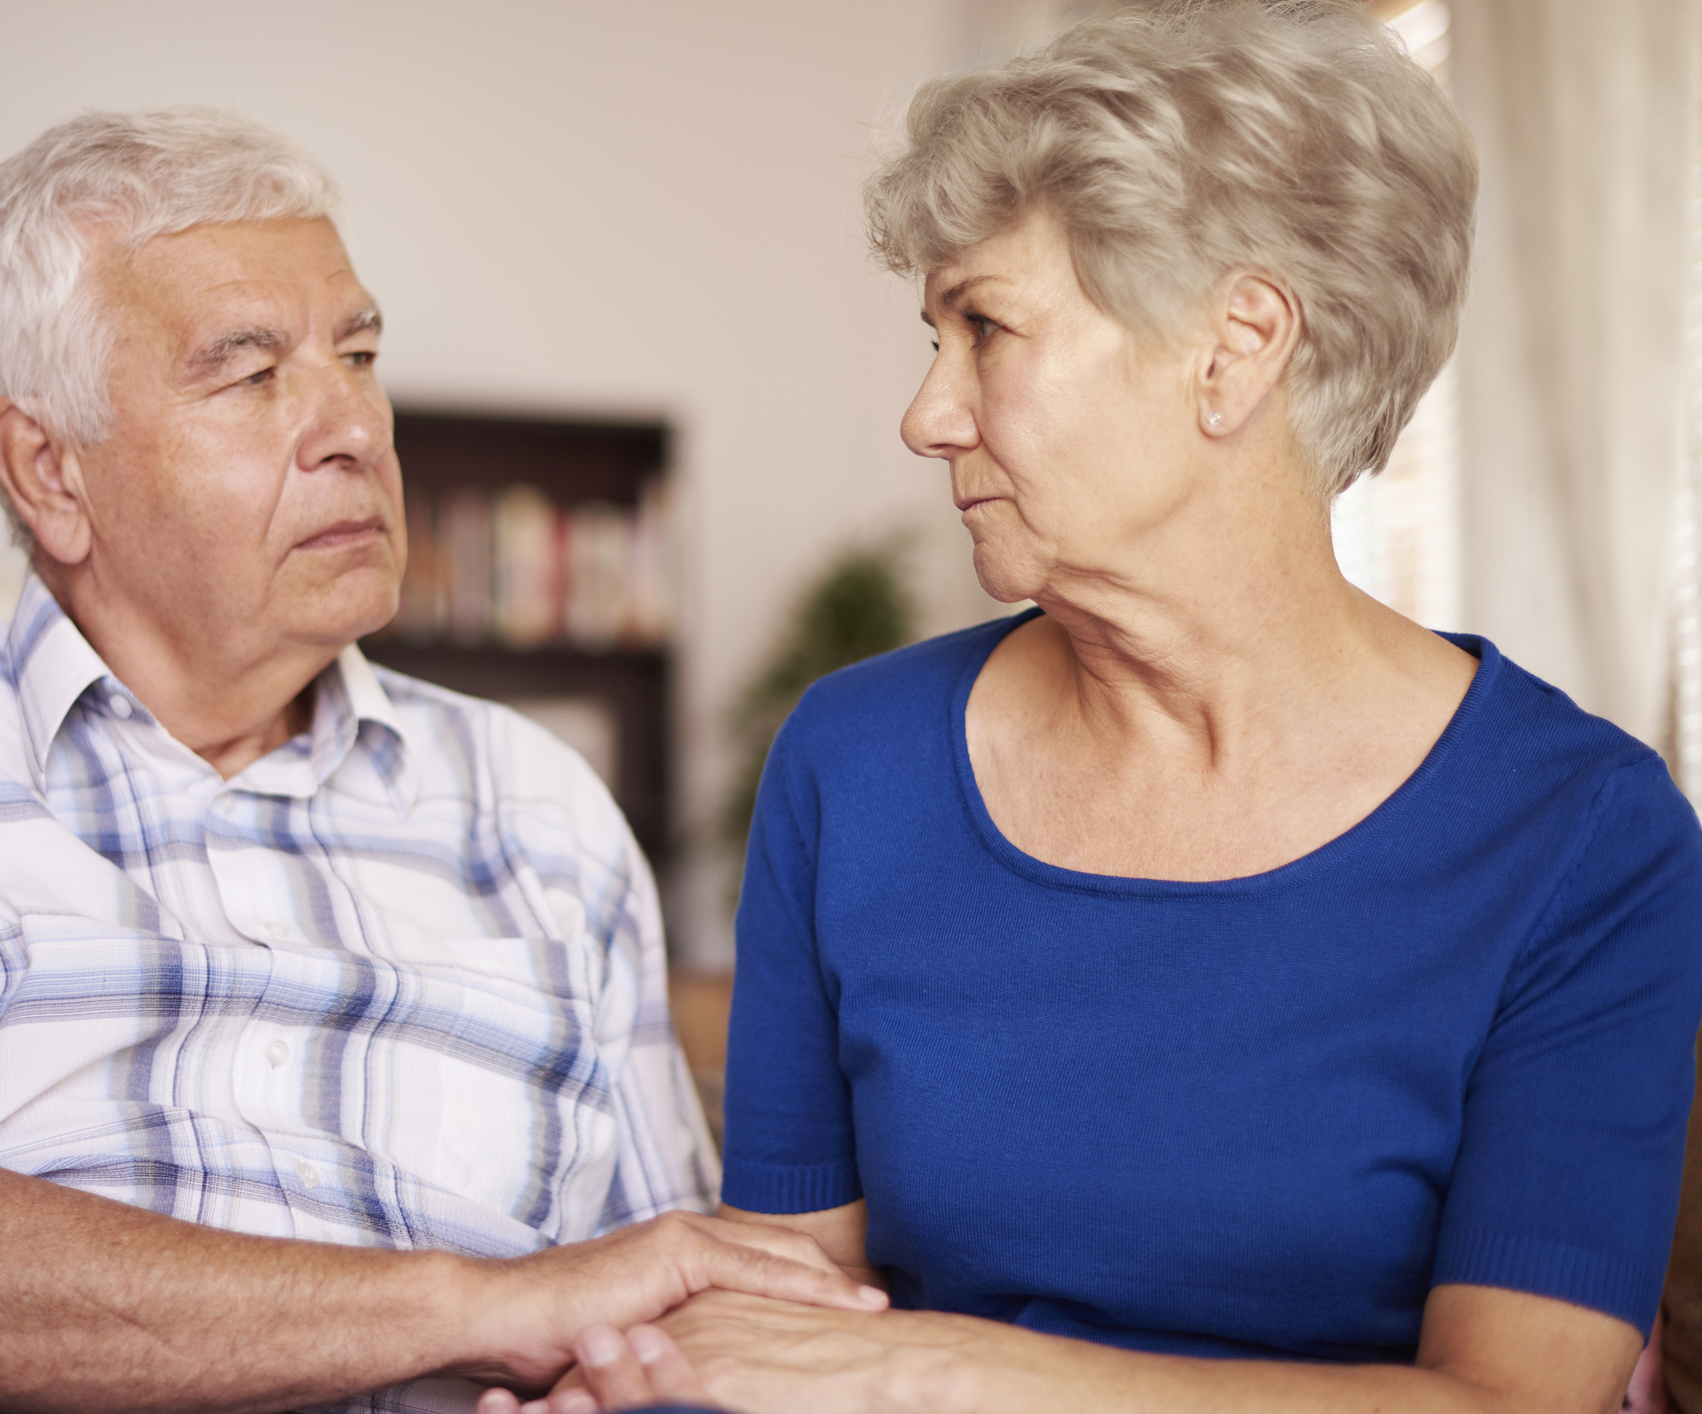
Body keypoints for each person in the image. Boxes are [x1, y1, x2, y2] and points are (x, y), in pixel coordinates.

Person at [477, 3, 1702, 1412]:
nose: (926, 414)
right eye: (932, 334)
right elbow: (782, 1322)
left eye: (985, 327)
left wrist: (928, 1369)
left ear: (1235, 349)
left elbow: (1514, 1401)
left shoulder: (1581, 834)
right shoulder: (854, 762)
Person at [0, 109, 885, 1414]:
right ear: (49, 471)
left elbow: (657, 1305)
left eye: (361, 353)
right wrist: (484, 1303)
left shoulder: (541, 806)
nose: (355, 428)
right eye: (251, 372)